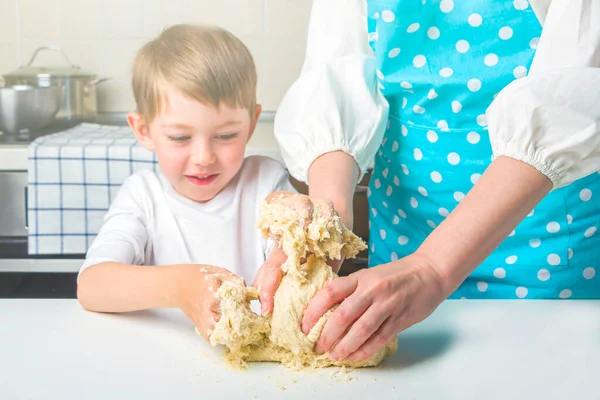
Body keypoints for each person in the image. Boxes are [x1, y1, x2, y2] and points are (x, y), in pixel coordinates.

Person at [254, 0, 600, 363]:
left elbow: (574, 92)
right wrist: (329, 219)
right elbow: (338, 73)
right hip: (400, 250)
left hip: (549, 256)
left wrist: (432, 268)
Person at [77, 24, 295, 340]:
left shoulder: (266, 184)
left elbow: (294, 257)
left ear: (250, 125)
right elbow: (92, 286)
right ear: (144, 130)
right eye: (180, 137)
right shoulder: (142, 197)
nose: (204, 157)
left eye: (226, 135)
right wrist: (181, 287)